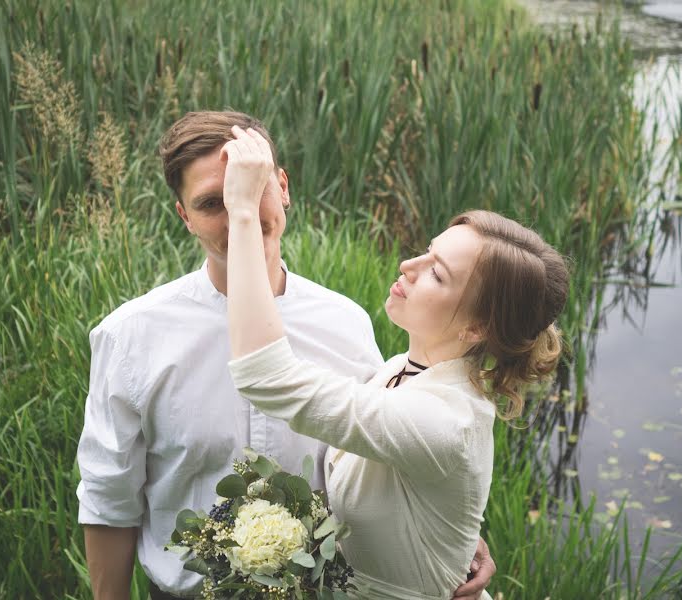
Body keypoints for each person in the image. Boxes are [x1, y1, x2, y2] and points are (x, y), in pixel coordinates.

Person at [76, 111, 495, 600]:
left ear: (283, 187)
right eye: (214, 202)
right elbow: (110, 502)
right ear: (184, 217)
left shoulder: (346, 323)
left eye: (251, 191)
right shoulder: (131, 336)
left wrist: (453, 541)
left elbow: (388, 458)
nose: (239, 216)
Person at [223, 126, 568, 599]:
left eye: (437, 273)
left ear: (476, 329)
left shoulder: (444, 420)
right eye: (427, 250)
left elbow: (266, 376)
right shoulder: (398, 370)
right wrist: (455, 538)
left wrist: (242, 212)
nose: (409, 266)